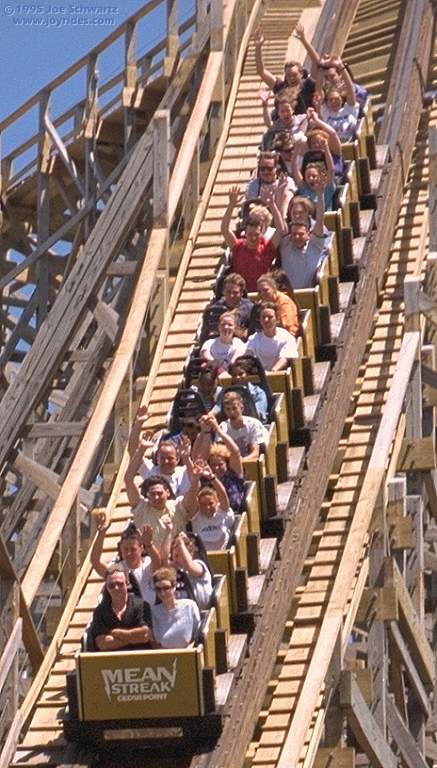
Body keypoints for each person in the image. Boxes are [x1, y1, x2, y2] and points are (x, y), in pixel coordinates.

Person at [221, 185, 286, 292]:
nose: (253, 238)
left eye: (256, 235)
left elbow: (280, 229)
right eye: (250, 234)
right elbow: (224, 229)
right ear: (245, 233)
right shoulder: (238, 247)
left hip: (262, 294)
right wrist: (231, 205)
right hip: (242, 296)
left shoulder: (267, 248)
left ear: (262, 234)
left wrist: (272, 204)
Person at [90, 513, 161, 605]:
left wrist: (149, 544)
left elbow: (158, 563)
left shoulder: (148, 563)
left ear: (141, 548)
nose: (129, 553)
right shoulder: (117, 568)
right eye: (125, 549)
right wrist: (101, 533)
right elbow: (95, 561)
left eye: (133, 549)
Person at [127, 406, 190, 496]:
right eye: (162, 458)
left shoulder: (184, 472)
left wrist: (187, 457)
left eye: (170, 458)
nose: (166, 461)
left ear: (177, 459)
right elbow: (132, 451)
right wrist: (139, 423)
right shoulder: (151, 470)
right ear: (157, 459)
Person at [88, 566, 153, 651]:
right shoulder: (100, 611)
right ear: (106, 587)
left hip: (139, 661)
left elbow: (144, 635)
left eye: (120, 584)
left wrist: (115, 633)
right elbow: (102, 644)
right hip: (111, 662)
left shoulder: (142, 605)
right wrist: (133, 638)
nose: (116, 588)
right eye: (111, 585)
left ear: (127, 583)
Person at [279, 179, 328, 289]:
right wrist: (279, 195)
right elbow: (280, 221)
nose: (297, 237)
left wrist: (320, 195)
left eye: (300, 234)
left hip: (312, 292)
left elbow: (320, 219)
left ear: (308, 235)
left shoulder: (314, 244)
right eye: (294, 213)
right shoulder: (287, 244)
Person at [254, 27, 315, 114]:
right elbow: (261, 71)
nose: (291, 78)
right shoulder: (281, 87)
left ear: (301, 74)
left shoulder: (309, 85)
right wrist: (258, 48)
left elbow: (319, 64)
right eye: (288, 76)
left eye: (294, 75)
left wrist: (304, 40)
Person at [193, 414, 245, 511]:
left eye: (220, 464)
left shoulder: (234, 473)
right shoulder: (206, 477)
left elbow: (235, 451)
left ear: (226, 463)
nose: (216, 468)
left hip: (233, 513)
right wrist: (204, 431)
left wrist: (217, 430)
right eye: (213, 465)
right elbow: (196, 456)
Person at [161, 527, 213, 609]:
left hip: (202, 613)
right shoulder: (173, 568)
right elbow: (164, 558)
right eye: (176, 556)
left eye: (182, 555)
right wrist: (168, 532)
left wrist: (181, 544)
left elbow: (189, 566)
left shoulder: (199, 565)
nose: (178, 559)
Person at [151, 566, 201, 649]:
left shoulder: (190, 606)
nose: (162, 593)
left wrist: (189, 650)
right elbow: (154, 642)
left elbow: (197, 635)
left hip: (189, 653)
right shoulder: (153, 612)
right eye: (158, 589)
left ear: (174, 587)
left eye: (166, 588)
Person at [246, 302, 298, 371]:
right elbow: (248, 356)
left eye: (270, 317)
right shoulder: (254, 338)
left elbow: (284, 358)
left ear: (277, 319)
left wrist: (273, 372)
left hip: (280, 375)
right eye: (263, 317)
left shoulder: (286, 337)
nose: (266, 320)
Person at [219, 391, 268, 460]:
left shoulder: (253, 424)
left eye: (234, 408)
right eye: (228, 409)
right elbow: (220, 454)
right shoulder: (223, 428)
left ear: (241, 407)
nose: (231, 412)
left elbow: (256, 453)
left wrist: (241, 461)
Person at [209, 273, 254, 338]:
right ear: (223, 292)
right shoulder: (216, 309)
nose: (231, 296)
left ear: (242, 293)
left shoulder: (250, 309)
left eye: (235, 292)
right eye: (228, 292)